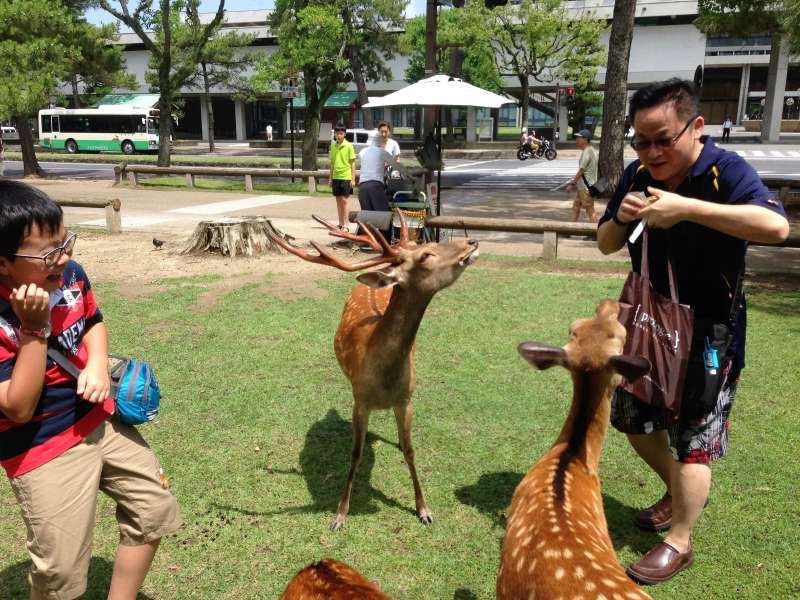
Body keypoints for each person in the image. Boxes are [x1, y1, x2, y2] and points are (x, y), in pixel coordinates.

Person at [597, 79, 788, 585]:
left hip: (710, 331)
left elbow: (776, 227)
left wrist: (687, 209)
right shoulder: (637, 174)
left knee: (695, 440)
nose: (652, 152)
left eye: (663, 138)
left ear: (696, 127)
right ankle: (677, 494)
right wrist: (621, 214)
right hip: (647, 321)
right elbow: (603, 242)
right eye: (641, 141)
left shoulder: (724, 170)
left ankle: (679, 541)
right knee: (634, 420)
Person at [0, 180, 183, 599]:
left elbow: (93, 322)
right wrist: (32, 327)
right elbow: (18, 408)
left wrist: (97, 364)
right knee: (61, 574)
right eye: (48, 252)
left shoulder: (69, 276)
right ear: (3, 264)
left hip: (99, 422)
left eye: (66, 243)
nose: (63, 258)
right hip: (42, 448)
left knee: (153, 510)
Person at [357, 120, 400, 215]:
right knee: (383, 214)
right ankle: (383, 230)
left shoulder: (363, 151)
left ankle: (367, 230)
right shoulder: (382, 152)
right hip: (376, 185)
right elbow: (396, 164)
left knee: (367, 215)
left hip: (362, 186)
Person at [565, 128, 598, 223]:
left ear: (585, 139)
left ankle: (594, 232)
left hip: (585, 187)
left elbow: (581, 170)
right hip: (584, 187)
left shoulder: (588, 151)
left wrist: (572, 184)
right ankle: (570, 229)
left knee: (589, 209)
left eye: (579, 138)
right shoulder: (591, 150)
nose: (577, 140)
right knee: (576, 207)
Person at [329, 125, 357, 231]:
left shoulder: (349, 146)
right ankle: (340, 223)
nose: (339, 135)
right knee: (338, 200)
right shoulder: (333, 146)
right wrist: (330, 178)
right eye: (337, 133)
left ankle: (346, 224)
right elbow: (332, 163)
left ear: (344, 134)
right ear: (335, 134)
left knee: (345, 201)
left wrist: (353, 179)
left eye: (341, 133)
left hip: (346, 176)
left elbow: (353, 163)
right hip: (336, 176)